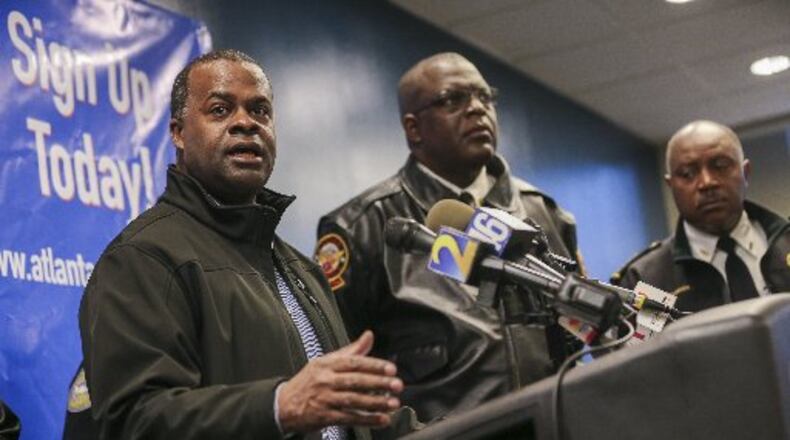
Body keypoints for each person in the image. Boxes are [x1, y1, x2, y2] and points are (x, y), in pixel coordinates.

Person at [76, 49, 412, 439]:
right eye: (220, 110)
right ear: (178, 132)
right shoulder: (142, 258)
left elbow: (352, 419)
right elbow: (135, 421)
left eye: (260, 111)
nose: (245, 123)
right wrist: (278, 406)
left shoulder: (306, 271)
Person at [316, 52, 581, 421]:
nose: (477, 109)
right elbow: (339, 369)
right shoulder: (362, 225)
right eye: (452, 100)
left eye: (484, 96)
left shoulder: (546, 216)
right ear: (413, 128)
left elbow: (578, 333)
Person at [612, 120, 790, 312]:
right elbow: (650, 343)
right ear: (671, 186)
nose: (707, 183)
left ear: (745, 173)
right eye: (688, 174)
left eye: (720, 166)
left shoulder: (785, 242)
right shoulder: (647, 281)